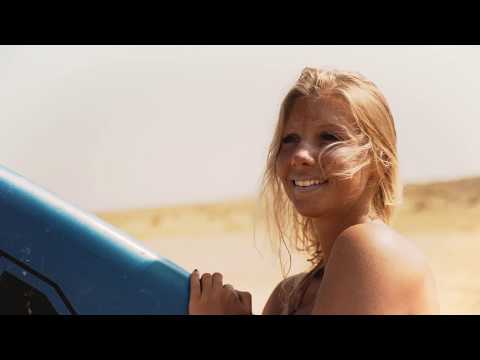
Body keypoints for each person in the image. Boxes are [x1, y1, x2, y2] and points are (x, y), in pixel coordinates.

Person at [188, 67, 439, 315]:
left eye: (329, 137)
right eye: (290, 139)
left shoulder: (372, 249)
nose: (299, 155)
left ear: (379, 159)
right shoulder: (289, 294)